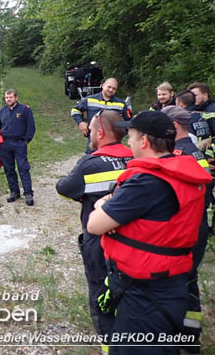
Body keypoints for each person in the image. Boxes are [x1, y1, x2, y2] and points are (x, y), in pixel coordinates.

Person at [87, 111, 212, 355]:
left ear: (144, 141)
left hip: (142, 294)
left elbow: (94, 225)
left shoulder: (146, 182)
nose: (128, 142)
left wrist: (103, 204)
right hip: (171, 285)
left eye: (131, 137)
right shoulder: (182, 172)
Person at [56, 111, 132, 350]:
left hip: (99, 239)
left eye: (90, 128)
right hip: (134, 241)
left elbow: (64, 188)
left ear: (99, 133)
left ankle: (110, 344)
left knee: (100, 287)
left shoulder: (90, 164)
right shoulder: (137, 157)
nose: (88, 132)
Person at [161, 105, 212, 352]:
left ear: (174, 127)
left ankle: (181, 334)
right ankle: (191, 335)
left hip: (189, 229)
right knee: (189, 281)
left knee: (180, 282)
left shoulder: (184, 154)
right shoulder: (192, 152)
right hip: (198, 225)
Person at [0, 89, 36, 205]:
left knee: (23, 168)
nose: (8, 99)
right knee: (9, 169)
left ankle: (28, 193)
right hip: (5, 144)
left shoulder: (24, 110)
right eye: (7, 98)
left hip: (19, 143)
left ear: (16, 98)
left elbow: (31, 126)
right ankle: (14, 192)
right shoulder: (2, 112)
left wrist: (26, 141)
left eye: (11, 97)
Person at [71, 78, 132, 153]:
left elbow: (128, 122)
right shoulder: (90, 99)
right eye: (109, 87)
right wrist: (80, 122)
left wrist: (119, 134)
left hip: (112, 142)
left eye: (114, 88)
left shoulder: (121, 104)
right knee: (91, 161)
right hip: (93, 140)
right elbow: (75, 110)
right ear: (103, 86)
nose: (110, 90)